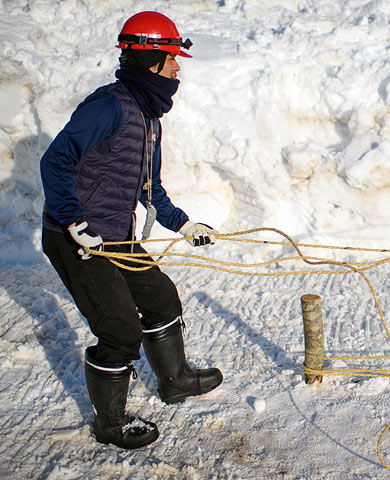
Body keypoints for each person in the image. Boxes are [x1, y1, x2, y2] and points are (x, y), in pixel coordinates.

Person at [40, 11, 223, 450]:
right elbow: (55, 161)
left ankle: (175, 380)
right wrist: (73, 220)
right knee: (119, 329)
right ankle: (110, 423)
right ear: (150, 59)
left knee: (160, 297)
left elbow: (149, 187)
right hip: (77, 240)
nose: (178, 68)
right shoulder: (108, 107)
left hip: (116, 235)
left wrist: (184, 223)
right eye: (173, 59)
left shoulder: (148, 118)